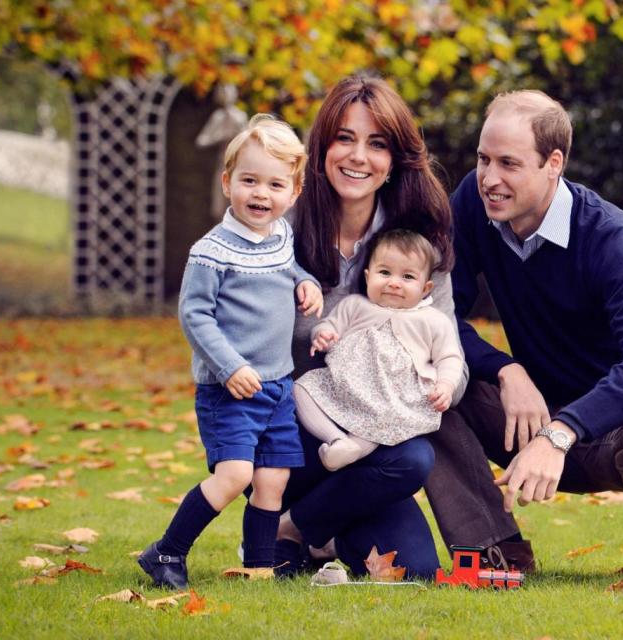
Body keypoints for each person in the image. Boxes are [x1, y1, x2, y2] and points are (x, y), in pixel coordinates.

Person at [424, 91, 623, 576]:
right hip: (528, 415)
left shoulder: (609, 236)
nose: (490, 178)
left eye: (509, 163)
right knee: (424, 378)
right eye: (483, 159)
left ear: (553, 163)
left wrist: (561, 432)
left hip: (619, 428)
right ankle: (496, 551)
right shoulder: (473, 202)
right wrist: (506, 370)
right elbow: (434, 315)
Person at [274, 75, 466, 580]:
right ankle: (302, 521)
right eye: (344, 138)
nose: (358, 156)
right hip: (292, 436)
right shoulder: (281, 228)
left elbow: (450, 350)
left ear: (393, 161)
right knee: (396, 461)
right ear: (321, 148)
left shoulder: (416, 244)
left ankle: (297, 529)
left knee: (416, 562)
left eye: (376, 144)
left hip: (377, 444)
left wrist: (432, 384)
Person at [137, 114, 323, 589]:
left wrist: (306, 282)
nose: (261, 194)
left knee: (273, 481)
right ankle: (166, 552)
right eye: (249, 181)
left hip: (278, 385)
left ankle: (259, 566)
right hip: (230, 388)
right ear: (228, 183)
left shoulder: (280, 236)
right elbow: (194, 315)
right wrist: (229, 366)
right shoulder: (211, 251)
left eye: (275, 184)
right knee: (236, 473)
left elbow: (289, 269)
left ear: (294, 191)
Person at [295, 229, 464, 471]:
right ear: (367, 276)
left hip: (393, 396)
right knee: (301, 389)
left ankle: (353, 448)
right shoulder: (355, 306)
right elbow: (329, 326)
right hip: (344, 386)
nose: (394, 283)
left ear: (426, 288)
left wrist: (446, 385)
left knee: (384, 418)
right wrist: (322, 335)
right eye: (384, 273)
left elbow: (449, 357)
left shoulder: (432, 320)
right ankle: (337, 441)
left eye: (407, 277)